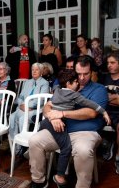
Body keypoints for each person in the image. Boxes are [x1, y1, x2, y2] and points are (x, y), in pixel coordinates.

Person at [28, 55, 108, 188]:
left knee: (83, 150)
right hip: (60, 129)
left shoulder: (99, 89)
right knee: (34, 141)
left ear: (92, 72)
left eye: (86, 74)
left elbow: (91, 112)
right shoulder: (64, 86)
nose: (82, 78)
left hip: (85, 132)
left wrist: (62, 113)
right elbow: (48, 106)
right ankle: (39, 181)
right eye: (79, 74)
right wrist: (52, 117)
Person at [9, 63, 49, 152]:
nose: (34, 71)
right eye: (32, 70)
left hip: (36, 109)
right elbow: (20, 97)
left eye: (37, 70)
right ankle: (16, 145)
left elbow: (41, 100)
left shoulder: (44, 83)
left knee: (22, 119)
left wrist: (27, 105)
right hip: (23, 107)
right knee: (12, 117)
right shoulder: (27, 82)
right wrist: (21, 105)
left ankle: (24, 145)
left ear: (41, 72)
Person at [100, 53, 119, 172]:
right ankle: (107, 143)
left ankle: (118, 156)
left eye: (112, 63)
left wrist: (107, 97)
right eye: (108, 63)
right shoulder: (103, 78)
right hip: (104, 111)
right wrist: (115, 97)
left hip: (118, 113)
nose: (109, 65)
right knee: (89, 120)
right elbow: (99, 98)